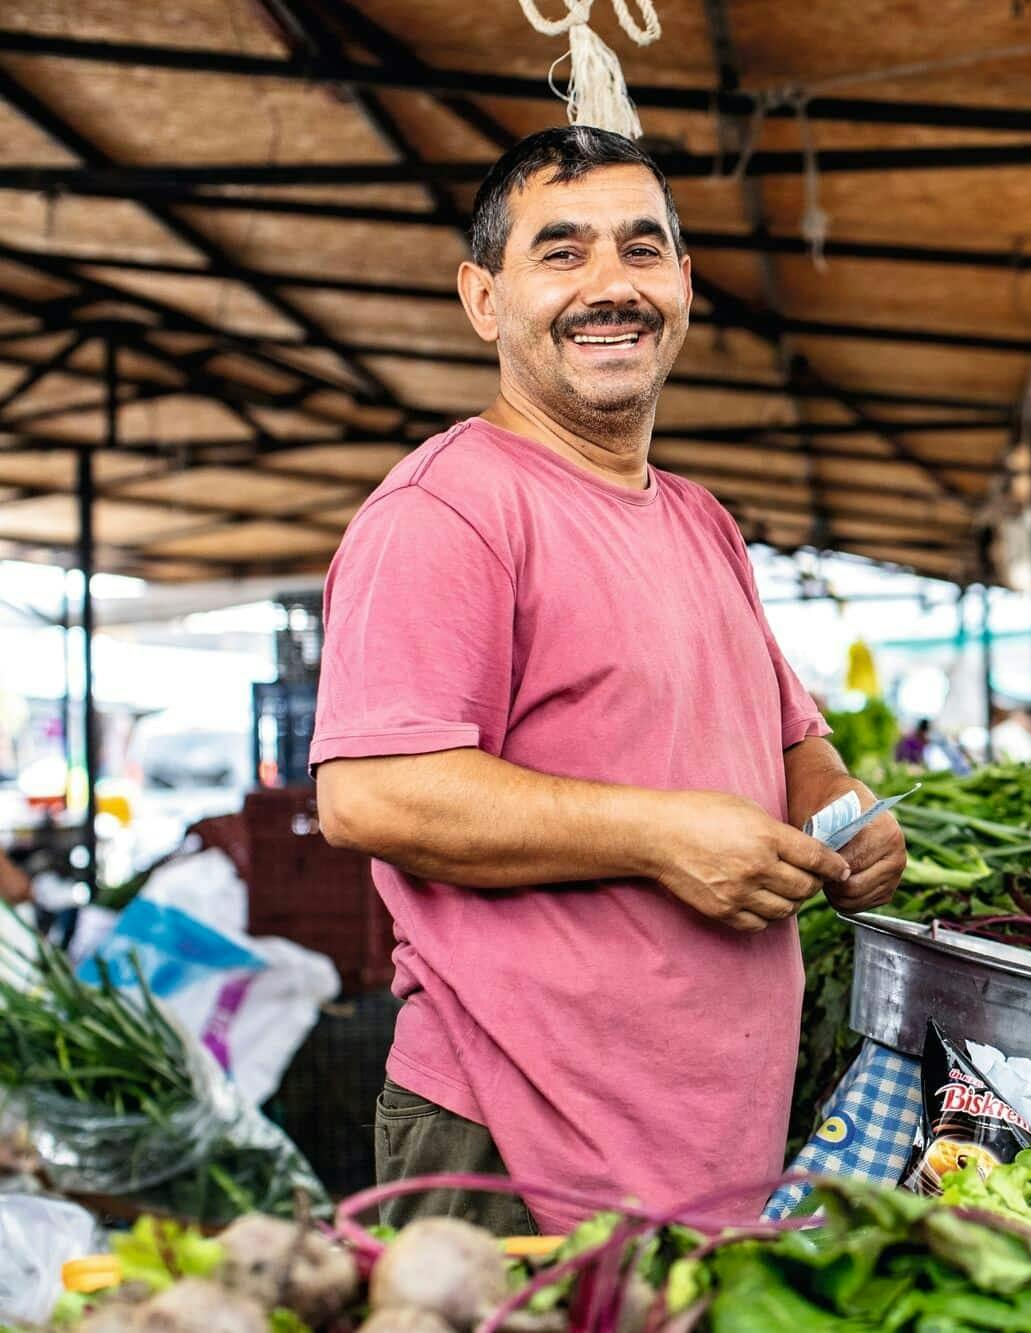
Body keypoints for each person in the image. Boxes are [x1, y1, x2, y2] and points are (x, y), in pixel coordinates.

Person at [309, 127, 907, 1235]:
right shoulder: (445, 512)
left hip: (705, 1132)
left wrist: (845, 814)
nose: (609, 286)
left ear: (682, 285)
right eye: (562, 252)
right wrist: (661, 835)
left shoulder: (699, 520)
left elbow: (790, 745)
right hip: (516, 1139)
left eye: (640, 251)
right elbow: (371, 794)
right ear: (484, 298)